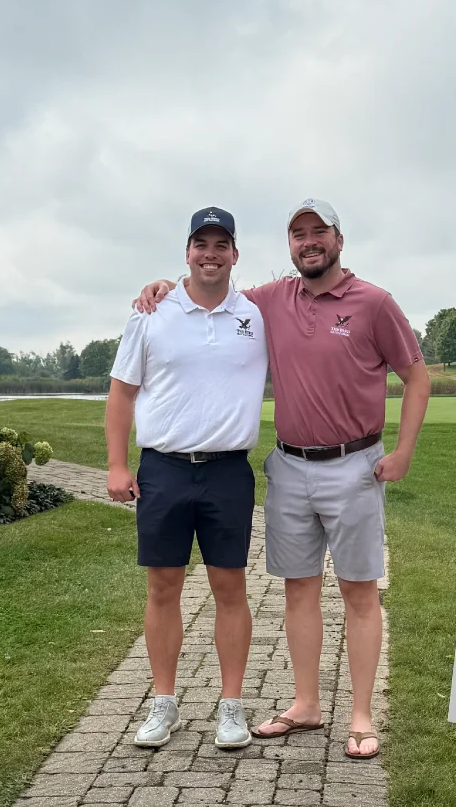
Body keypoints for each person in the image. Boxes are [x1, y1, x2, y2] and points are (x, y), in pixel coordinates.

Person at [133, 198, 431, 760]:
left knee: (360, 592)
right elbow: (208, 287)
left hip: (355, 464)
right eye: (299, 234)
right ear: (289, 246)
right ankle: (306, 704)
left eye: (319, 232)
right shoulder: (270, 300)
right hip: (289, 467)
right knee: (299, 590)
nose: (309, 241)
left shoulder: (374, 302)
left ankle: (362, 717)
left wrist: (405, 452)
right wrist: (163, 285)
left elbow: (416, 377)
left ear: (338, 240)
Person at [106, 206, 269, 751]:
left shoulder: (255, 315)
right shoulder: (151, 314)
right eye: (201, 243)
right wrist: (116, 464)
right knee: (162, 587)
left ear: (235, 255)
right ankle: (164, 702)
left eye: (221, 244)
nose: (211, 253)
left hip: (227, 472)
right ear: (187, 252)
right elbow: (122, 394)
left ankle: (231, 706)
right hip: (165, 469)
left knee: (229, 586)